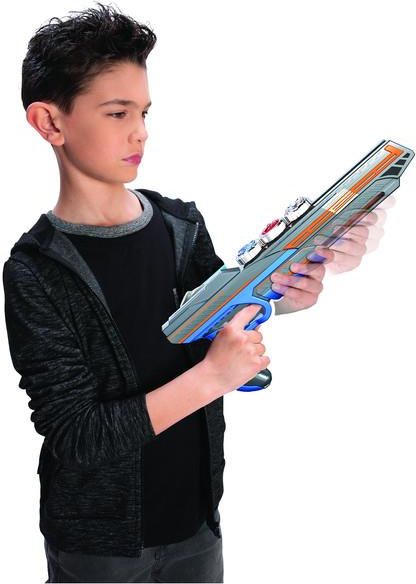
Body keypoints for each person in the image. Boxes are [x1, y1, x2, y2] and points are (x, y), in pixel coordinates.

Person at [2, 3, 376, 582]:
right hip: (98, 549)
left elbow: (223, 320)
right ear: (50, 122)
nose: (140, 131)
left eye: (144, 111)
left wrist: (290, 290)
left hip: (197, 525)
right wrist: (212, 378)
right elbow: (76, 435)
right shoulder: (36, 270)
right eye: (117, 112)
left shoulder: (181, 227)